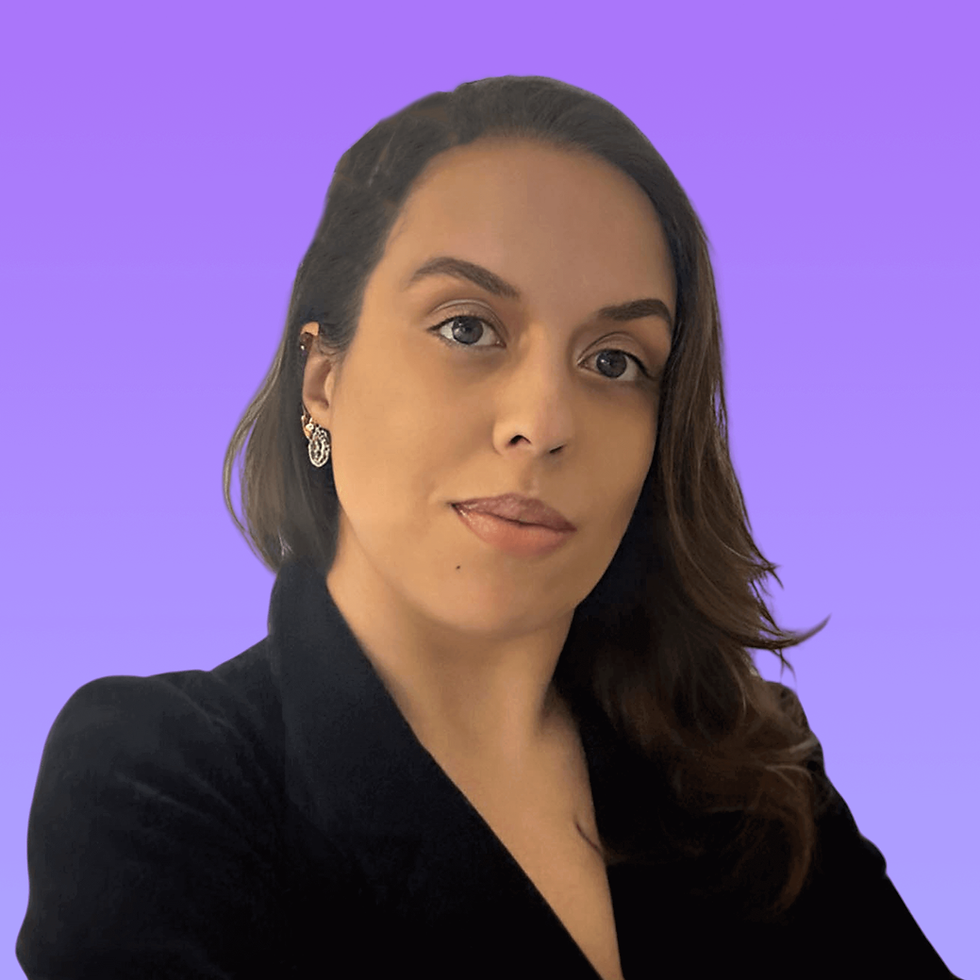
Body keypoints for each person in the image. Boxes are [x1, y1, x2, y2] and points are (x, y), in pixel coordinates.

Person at [16, 75, 960, 979]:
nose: (543, 423)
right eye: (467, 327)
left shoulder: (752, 766)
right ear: (323, 380)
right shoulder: (161, 780)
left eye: (615, 361)